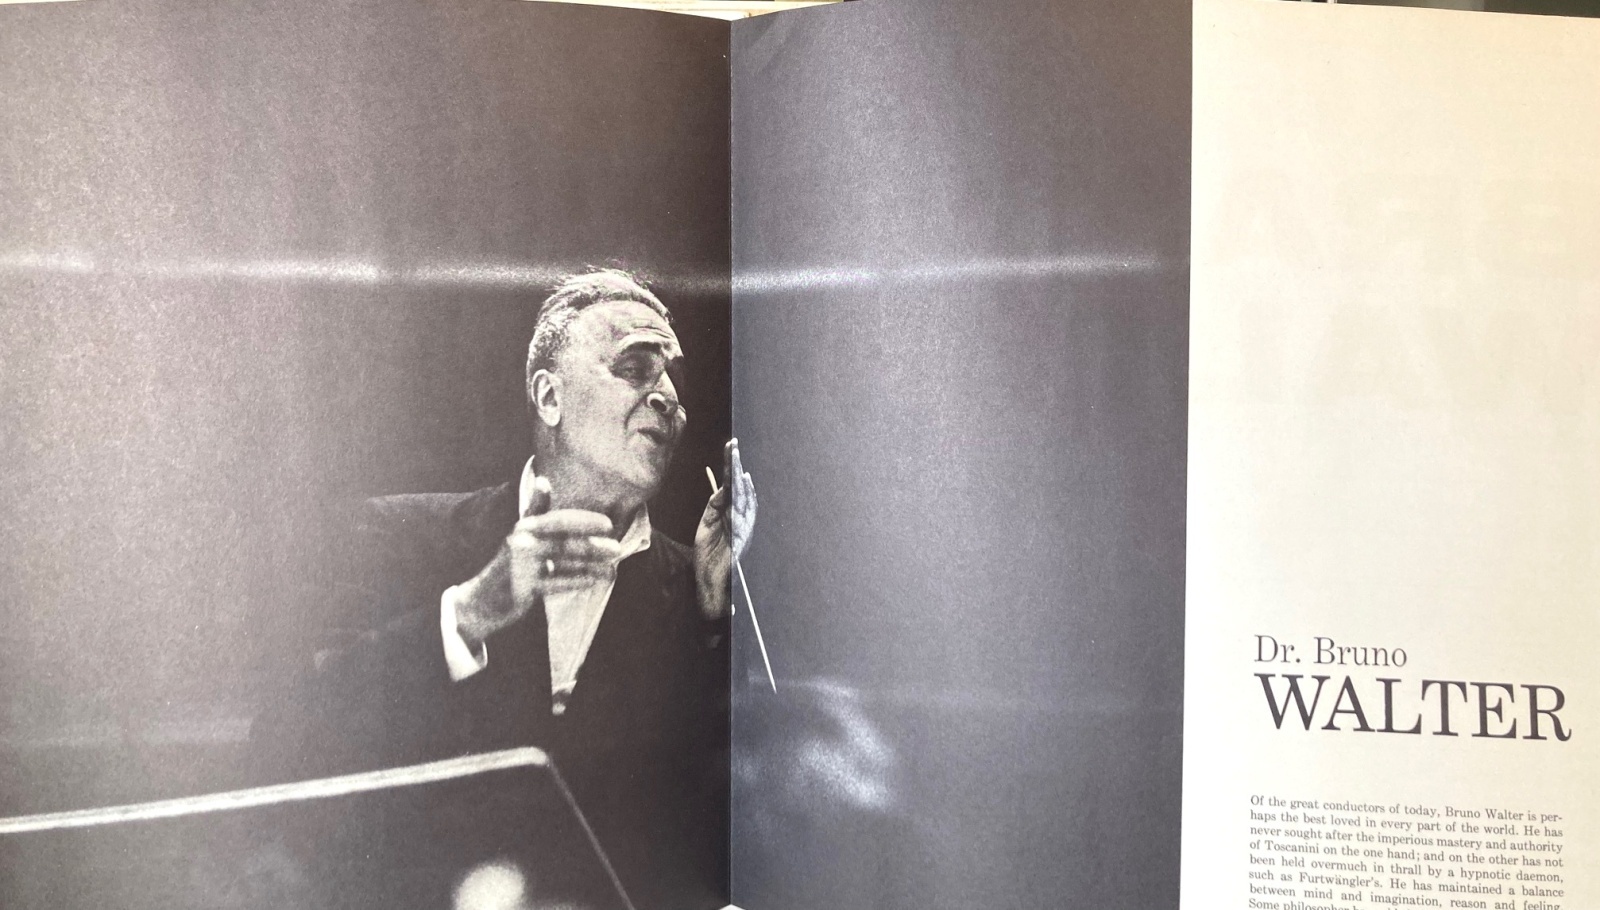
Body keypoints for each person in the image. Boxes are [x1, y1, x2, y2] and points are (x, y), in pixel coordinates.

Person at [258, 268, 754, 909]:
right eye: (635, 368)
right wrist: (470, 613)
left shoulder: (701, 591)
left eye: (674, 382)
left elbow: (722, 840)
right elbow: (286, 742)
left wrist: (713, 620)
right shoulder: (397, 536)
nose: (667, 398)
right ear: (549, 397)